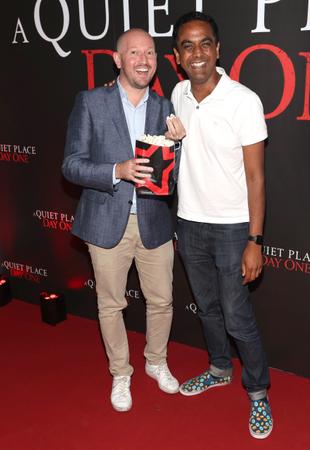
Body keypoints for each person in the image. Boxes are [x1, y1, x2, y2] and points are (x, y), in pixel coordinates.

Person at [62, 29, 185, 412]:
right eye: (134, 52)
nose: (143, 60)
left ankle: (156, 362)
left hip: (154, 222)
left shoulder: (165, 107)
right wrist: (116, 169)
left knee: (162, 300)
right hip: (106, 221)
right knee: (111, 305)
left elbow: (173, 175)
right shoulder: (90, 102)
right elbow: (71, 165)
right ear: (118, 59)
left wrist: (178, 146)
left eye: (149, 52)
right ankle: (120, 373)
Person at [171, 12, 273, 439]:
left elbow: (256, 177)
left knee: (237, 316)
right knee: (207, 309)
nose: (197, 53)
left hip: (233, 229)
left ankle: (258, 393)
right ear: (177, 57)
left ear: (218, 49)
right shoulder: (177, 93)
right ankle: (217, 368)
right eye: (188, 46)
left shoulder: (243, 100)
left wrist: (255, 239)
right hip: (189, 223)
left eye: (204, 44)